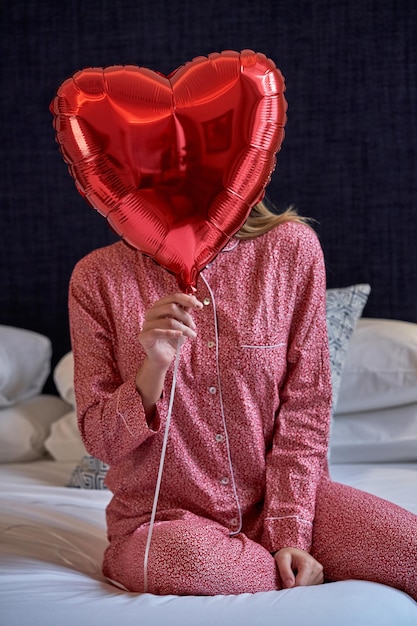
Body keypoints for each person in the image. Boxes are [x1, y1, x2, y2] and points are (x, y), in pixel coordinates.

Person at [68, 200, 417, 598]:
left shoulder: (291, 249)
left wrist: (292, 534)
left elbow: (307, 405)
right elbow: (102, 441)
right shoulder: (97, 278)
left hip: (291, 500)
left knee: (411, 554)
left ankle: (289, 571)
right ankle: (303, 584)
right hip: (164, 525)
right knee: (189, 561)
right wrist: (154, 366)